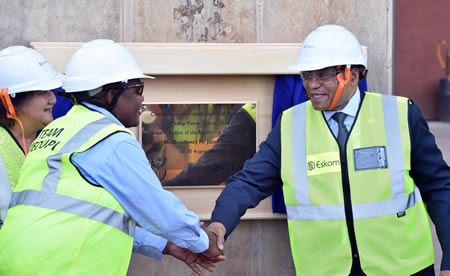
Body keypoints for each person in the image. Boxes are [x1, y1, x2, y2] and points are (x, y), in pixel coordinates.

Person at [206, 24, 450, 275]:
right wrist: (220, 222)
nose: (311, 85)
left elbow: (440, 187)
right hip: (326, 269)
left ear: (352, 75)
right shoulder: (291, 124)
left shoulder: (400, 114)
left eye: (322, 75)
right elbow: (249, 181)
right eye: (306, 75)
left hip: (402, 268)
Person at [0, 39, 223, 275]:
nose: (142, 99)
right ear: (109, 96)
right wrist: (205, 242)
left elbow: (87, 213)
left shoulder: (58, 132)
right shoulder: (110, 139)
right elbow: (159, 208)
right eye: (138, 89)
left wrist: (165, 244)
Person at [0, 45, 61, 228]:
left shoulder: (54, 140)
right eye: (43, 92)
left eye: (52, 91)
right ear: (10, 100)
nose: (53, 99)